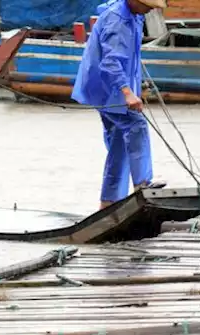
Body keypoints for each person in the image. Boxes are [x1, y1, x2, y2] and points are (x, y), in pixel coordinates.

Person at [72, 0, 166, 209]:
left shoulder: (134, 15)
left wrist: (135, 87)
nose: (151, 9)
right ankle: (143, 183)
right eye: (147, 5)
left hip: (109, 88)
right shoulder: (117, 19)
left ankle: (109, 202)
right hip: (108, 89)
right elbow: (110, 62)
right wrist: (127, 92)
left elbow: (130, 55)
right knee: (136, 126)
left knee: (119, 144)